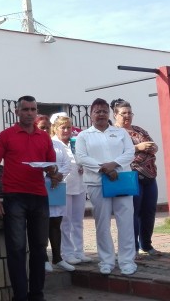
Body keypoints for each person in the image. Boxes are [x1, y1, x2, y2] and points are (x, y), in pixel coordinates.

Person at [0, 96, 62, 301]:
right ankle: (20, 296)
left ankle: (36, 294)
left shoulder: (44, 137)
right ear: (17, 112)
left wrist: (55, 174)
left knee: (39, 248)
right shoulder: (6, 135)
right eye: (26, 109)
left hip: (39, 197)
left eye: (33, 109)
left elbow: (50, 167)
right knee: (17, 248)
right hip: (14, 198)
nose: (30, 113)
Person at [75, 98, 136, 275]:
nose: (101, 114)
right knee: (102, 223)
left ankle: (127, 261)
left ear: (109, 114)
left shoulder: (120, 133)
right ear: (91, 114)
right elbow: (81, 157)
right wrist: (104, 168)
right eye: (97, 111)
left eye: (104, 111)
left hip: (121, 181)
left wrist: (114, 164)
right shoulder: (83, 135)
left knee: (125, 222)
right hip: (97, 183)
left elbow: (130, 152)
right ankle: (106, 261)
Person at [111, 98, 161, 257]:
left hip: (150, 175)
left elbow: (154, 146)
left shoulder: (140, 130)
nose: (127, 116)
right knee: (133, 212)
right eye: (123, 113)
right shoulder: (113, 132)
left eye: (129, 113)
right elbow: (115, 152)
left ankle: (146, 245)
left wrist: (152, 147)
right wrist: (138, 147)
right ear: (115, 115)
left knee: (149, 211)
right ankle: (131, 248)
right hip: (131, 176)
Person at [50, 114, 92, 266]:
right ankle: (66, 253)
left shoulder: (75, 142)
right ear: (55, 128)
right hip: (63, 186)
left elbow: (82, 159)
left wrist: (82, 167)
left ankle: (79, 251)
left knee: (78, 220)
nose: (67, 130)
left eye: (68, 127)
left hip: (79, 185)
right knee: (65, 221)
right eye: (63, 127)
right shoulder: (52, 144)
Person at [40, 115, 75, 272]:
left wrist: (58, 175)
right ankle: (43, 258)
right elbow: (34, 164)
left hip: (57, 187)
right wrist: (49, 175)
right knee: (43, 224)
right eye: (42, 127)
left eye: (47, 127)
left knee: (56, 223)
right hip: (41, 187)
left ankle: (58, 258)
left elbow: (67, 163)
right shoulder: (34, 144)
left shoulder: (57, 145)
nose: (45, 130)